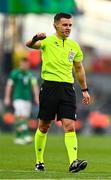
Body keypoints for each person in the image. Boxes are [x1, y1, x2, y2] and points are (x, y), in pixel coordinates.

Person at [26, 12, 91, 173]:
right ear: (55, 25)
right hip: (49, 87)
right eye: (65, 25)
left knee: (70, 126)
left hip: (68, 89)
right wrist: (35, 37)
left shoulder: (74, 46)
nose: (68, 28)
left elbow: (79, 69)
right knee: (44, 126)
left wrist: (84, 90)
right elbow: (29, 44)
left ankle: (73, 162)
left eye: (70, 25)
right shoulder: (46, 41)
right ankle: (39, 162)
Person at [4, 57, 39, 144]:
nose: (25, 66)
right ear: (20, 64)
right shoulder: (15, 73)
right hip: (18, 98)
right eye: (23, 64)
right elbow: (9, 86)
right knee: (22, 116)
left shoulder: (30, 74)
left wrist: (36, 97)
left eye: (26, 64)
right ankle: (26, 135)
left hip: (27, 98)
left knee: (22, 117)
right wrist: (7, 97)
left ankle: (18, 137)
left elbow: (34, 86)